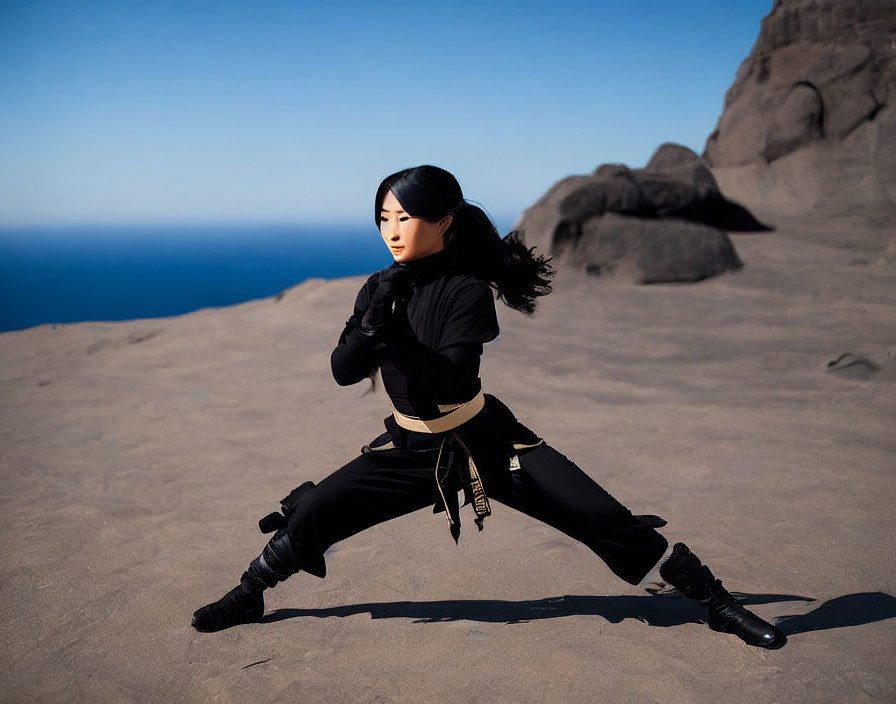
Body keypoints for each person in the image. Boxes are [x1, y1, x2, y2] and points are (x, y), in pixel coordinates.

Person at [191, 165, 786, 649]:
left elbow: (452, 380)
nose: (391, 230)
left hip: (487, 441)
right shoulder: (376, 287)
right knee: (315, 510)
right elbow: (342, 373)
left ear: (444, 222)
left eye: (405, 217)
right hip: (406, 447)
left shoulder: (466, 292)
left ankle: (717, 605)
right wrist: (370, 327)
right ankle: (249, 595)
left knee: (601, 517)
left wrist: (393, 339)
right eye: (382, 219)